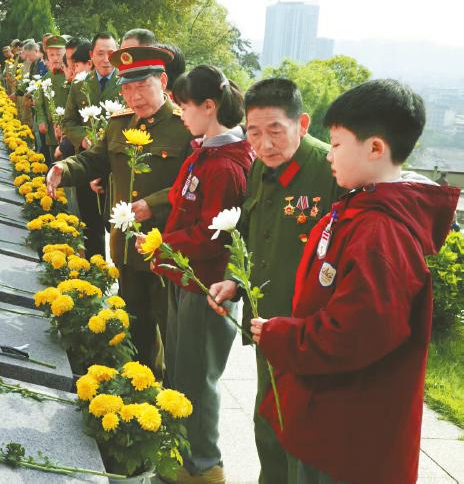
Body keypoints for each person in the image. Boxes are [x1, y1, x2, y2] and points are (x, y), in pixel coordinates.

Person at [252, 80, 460, 484]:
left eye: (336, 144)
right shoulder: (361, 206)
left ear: (375, 148)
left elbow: (354, 332)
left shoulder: (382, 233)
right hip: (329, 412)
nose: (329, 155)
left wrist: (283, 336)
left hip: (348, 430)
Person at [207, 78, 344, 484]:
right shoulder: (258, 167)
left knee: (300, 431)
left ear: (302, 123)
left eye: (275, 131)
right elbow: (250, 231)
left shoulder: (330, 171)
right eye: (254, 132)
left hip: (309, 332)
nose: (264, 144)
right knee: (268, 420)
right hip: (268, 324)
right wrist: (234, 280)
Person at [48, 45, 193, 371]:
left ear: (163, 82)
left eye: (142, 86)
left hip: (166, 250)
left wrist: (153, 205)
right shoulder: (119, 124)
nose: (134, 97)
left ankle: (168, 391)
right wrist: (63, 169)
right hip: (127, 249)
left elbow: (193, 186)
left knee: (173, 337)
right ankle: (141, 389)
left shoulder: (185, 127)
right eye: (127, 88)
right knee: (136, 331)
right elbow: (93, 160)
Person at [145, 65, 254, 484]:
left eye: (185, 106)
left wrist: (164, 245)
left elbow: (214, 236)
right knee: (179, 372)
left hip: (208, 286)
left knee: (197, 378)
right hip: (185, 278)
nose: (180, 114)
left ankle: (204, 465)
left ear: (209, 106)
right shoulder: (204, 152)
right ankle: (183, 455)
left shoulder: (226, 164)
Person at [60, 33, 123, 258]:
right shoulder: (80, 84)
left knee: (116, 227)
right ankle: (95, 269)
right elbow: (68, 122)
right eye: (100, 53)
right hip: (86, 162)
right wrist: (83, 138)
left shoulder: (125, 84)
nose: (106, 59)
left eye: (111, 53)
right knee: (90, 223)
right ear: (91, 55)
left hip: (115, 166)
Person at [35, 35, 69, 163]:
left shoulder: (71, 76)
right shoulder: (46, 77)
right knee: (53, 163)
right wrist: (41, 120)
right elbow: (39, 103)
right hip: (51, 132)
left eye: (59, 54)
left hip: (68, 134)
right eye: (52, 55)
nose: (55, 58)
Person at [57, 41, 93, 160]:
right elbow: (69, 121)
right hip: (82, 150)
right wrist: (82, 138)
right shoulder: (77, 85)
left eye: (76, 66)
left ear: (89, 63)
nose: (74, 70)